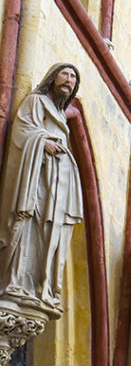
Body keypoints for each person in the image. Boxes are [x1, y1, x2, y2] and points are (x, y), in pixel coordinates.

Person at [0, 63, 83, 315]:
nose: (69, 80)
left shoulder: (60, 115)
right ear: (52, 77)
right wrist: (43, 142)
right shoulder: (36, 102)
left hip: (56, 186)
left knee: (49, 233)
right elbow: (23, 131)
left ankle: (42, 287)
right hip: (35, 179)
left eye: (73, 78)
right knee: (30, 224)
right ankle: (15, 281)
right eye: (65, 74)